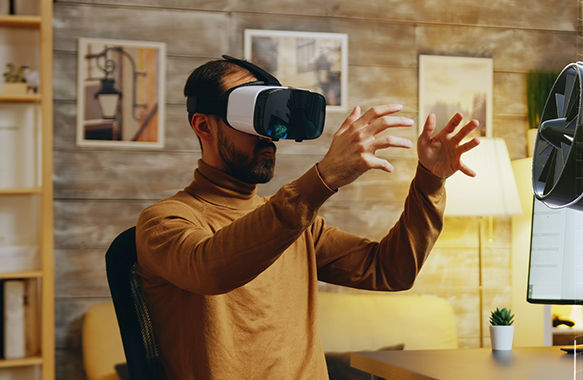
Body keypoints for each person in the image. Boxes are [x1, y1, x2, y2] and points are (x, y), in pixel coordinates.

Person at [134, 58, 481, 379]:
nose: (269, 134)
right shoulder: (164, 222)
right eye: (253, 115)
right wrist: (323, 177)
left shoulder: (298, 225)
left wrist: (430, 180)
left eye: (272, 117)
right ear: (203, 125)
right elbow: (211, 269)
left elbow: (391, 270)